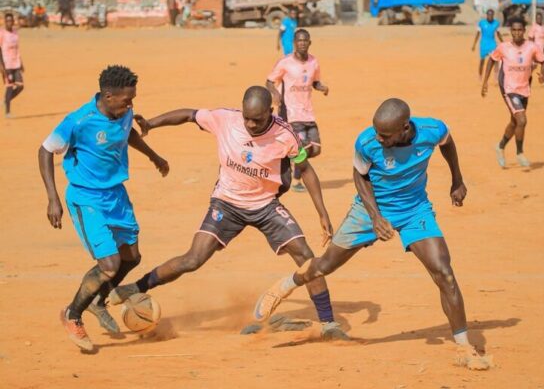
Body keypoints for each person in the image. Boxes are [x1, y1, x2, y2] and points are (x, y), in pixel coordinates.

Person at [254, 98, 493, 370]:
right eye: (377, 132)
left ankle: (464, 346)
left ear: (405, 128)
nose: (379, 139)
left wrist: (457, 179)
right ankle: (287, 285)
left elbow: (447, 142)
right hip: (368, 209)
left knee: (444, 273)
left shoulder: (432, 130)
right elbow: (360, 176)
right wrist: (375, 216)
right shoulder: (367, 142)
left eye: (385, 135)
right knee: (325, 266)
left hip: (414, 209)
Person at [108, 86, 348, 340]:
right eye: (247, 118)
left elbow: (306, 170)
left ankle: (328, 324)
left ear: (270, 111)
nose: (251, 124)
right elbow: (189, 115)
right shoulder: (226, 119)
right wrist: (151, 124)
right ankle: (136, 287)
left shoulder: (285, 135)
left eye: (258, 119)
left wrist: (322, 213)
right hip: (226, 203)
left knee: (306, 257)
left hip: (266, 205)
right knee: (193, 259)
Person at [38, 65, 170, 351]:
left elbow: (128, 134)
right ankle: (73, 314)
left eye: (132, 99)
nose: (130, 105)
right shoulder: (79, 121)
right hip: (86, 198)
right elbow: (45, 150)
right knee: (109, 264)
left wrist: (154, 156)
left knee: (131, 257)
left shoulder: (122, 113)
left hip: (116, 195)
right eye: (126, 100)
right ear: (108, 96)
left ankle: (98, 300)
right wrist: (52, 198)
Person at [266, 29, 329, 192]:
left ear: (310, 43)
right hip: (291, 113)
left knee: (315, 149)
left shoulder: (314, 62)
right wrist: (275, 94)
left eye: (305, 40)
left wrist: (322, 87)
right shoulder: (285, 62)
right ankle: (296, 180)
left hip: (308, 113)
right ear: (294, 43)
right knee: (303, 149)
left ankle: (288, 159)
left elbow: (314, 82)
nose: (302, 43)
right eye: (299, 41)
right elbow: (269, 81)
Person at [482, 17, 544, 168]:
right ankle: (520, 153)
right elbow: (491, 60)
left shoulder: (532, 47)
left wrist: (543, 75)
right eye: (514, 30)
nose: (517, 33)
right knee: (522, 120)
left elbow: (543, 61)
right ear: (511, 31)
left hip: (524, 87)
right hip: (508, 88)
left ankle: (500, 146)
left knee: (515, 122)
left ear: (524, 31)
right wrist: (485, 82)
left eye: (519, 30)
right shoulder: (503, 47)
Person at [0, 13, 24, 118]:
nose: (9, 23)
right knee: (9, 87)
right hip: (7, 64)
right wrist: (1, 65)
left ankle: (6, 100)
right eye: (7, 21)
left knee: (20, 86)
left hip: (16, 63)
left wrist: (21, 62)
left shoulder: (15, 33)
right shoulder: (2, 33)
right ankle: (7, 112)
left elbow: (17, 48)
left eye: (11, 21)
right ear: (5, 22)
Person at [471, 9, 503, 80]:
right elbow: (478, 34)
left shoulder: (496, 23)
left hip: (492, 44)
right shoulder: (481, 23)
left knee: (496, 59)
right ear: (487, 15)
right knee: (482, 61)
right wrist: (474, 44)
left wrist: (503, 42)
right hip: (483, 44)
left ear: (493, 15)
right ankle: (480, 76)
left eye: (491, 15)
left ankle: (496, 75)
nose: (490, 16)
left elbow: (498, 34)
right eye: (489, 15)